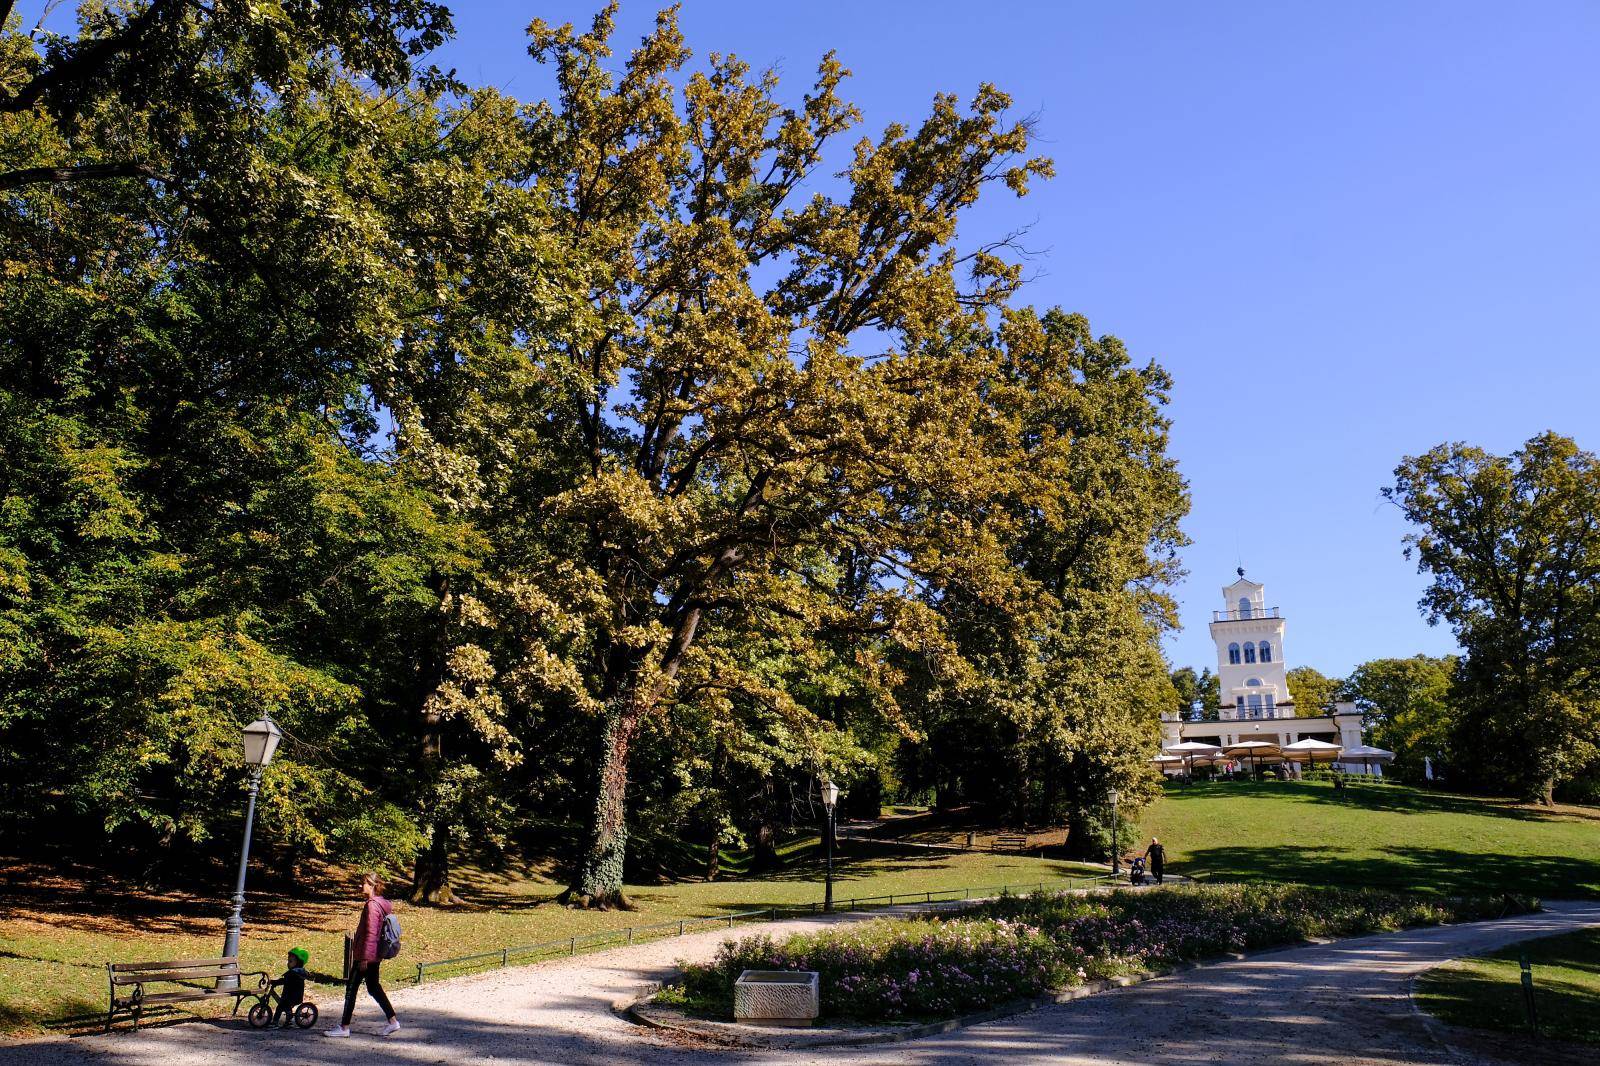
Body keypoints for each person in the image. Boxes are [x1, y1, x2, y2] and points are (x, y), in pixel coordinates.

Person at [325, 872, 400, 1038]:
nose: (361, 886)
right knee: (374, 988)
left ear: (372, 885)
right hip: (373, 955)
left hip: (366, 956)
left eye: (364, 883)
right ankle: (393, 1021)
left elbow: (371, 933)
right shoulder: (380, 904)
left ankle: (344, 1027)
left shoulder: (372, 906)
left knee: (351, 989)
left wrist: (365, 958)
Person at [270, 947, 311, 1027]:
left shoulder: (293, 973)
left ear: (298, 962)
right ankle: (287, 1021)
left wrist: (274, 982)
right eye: (288, 961)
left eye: (290, 961)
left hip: (291, 997)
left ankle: (277, 1022)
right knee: (285, 1006)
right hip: (294, 996)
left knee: (280, 1007)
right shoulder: (298, 972)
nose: (288, 963)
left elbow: (285, 981)